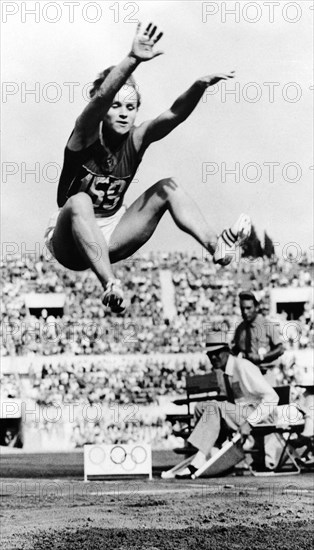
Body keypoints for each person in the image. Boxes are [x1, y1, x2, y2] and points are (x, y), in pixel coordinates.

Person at [44, 22, 251, 313]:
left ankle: (217, 245)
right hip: (69, 240)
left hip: (113, 233)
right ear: (104, 111)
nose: (124, 114)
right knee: (80, 201)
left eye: (130, 108)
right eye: (116, 107)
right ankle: (111, 285)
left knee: (170, 187)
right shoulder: (83, 136)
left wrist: (199, 85)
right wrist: (132, 60)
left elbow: (174, 115)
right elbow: (101, 96)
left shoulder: (137, 139)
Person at [176, 331, 279, 478]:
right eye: (210, 354)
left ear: (227, 351)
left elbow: (272, 398)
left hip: (262, 416)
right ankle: (211, 453)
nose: (213, 357)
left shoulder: (243, 366)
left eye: (217, 353)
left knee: (215, 407)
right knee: (201, 407)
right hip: (241, 414)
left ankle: (199, 460)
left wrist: (249, 423)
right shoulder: (223, 373)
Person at [232, 290, 284, 384]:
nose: (245, 312)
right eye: (242, 308)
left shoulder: (266, 324)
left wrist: (261, 357)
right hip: (248, 376)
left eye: (248, 308)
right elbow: (236, 349)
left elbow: (280, 349)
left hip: (265, 374)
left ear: (256, 307)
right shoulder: (240, 329)